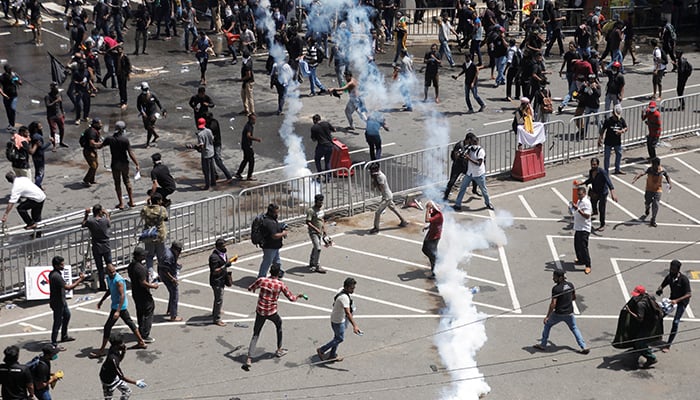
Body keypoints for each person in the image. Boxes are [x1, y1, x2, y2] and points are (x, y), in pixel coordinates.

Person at [243, 263, 302, 371]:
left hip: (260, 311)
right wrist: (298, 296)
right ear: (279, 273)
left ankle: (249, 358)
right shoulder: (280, 285)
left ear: (270, 271)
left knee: (256, 334)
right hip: (271, 312)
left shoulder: (262, 280)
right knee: (278, 325)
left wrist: (255, 289)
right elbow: (292, 298)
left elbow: (250, 288)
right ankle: (279, 349)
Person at [90, 263, 147, 358]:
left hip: (119, 306)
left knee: (107, 327)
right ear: (107, 272)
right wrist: (101, 301)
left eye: (114, 271)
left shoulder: (118, 280)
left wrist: (118, 311)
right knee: (130, 323)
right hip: (116, 306)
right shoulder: (109, 278)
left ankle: (102, 350)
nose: (113, 273)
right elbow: (110, 290)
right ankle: (141, 342)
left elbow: (122, 295)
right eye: (110, 272)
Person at [533, 270, 590, 354]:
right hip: (569, 313)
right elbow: (573, 297)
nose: (553, 278)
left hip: (558, 314)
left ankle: (543, 344)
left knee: (547, 324)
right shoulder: (570, 285)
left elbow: (553, 304)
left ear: (560, 278)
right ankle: (583, 346)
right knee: (574, 328)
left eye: (555, 277)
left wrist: (547, 316)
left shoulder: (556, 289)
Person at [615, 285, 662, 367]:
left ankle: (651, 358)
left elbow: (640, 318)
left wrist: (630, 312)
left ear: (641, 295)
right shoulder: (648, 296)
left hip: (648, 324)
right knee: (640, 338)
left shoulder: (641, 304)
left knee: (639, 342)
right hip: (652, 320)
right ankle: (640, 348)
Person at [316, 277, 360, 362]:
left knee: (337, 338)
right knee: (340, 338)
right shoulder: (344, 298)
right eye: (352, 288)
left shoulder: (341, 290)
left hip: (337, 318)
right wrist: (355, 326)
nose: (353, 290)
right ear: (346, 287)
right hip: (338, 321)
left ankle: (332, 355)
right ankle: (322, 350)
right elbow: (347, 313)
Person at [49, 255, 85, 351]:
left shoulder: (54, 274)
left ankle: (64, 336)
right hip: (58, 303)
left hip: (61, 301)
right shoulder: (56, 276)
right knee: (57, 322)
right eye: (61, 264)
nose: (63, 266)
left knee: (67, 315)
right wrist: (80, 280)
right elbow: (68, 287)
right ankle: (54, 343)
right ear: (56, 266)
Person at [100, 121, 140, 209]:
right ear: (122, 130)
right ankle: (131, 201)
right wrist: (137, 164)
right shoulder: (125, 140)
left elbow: (100, 146)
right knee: (127, 181)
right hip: (124, 163)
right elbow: (130, 153)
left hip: (115, 164)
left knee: (117, 183)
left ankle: (121, 203)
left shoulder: (109, 139)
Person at [656, 259, 692, 352]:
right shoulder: (669, 277)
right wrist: (660, 289)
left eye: (673, 269)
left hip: (682, 301)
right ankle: (658, 335)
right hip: (672, 299)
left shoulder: (684, 279)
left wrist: (677, 300)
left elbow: (688, 294)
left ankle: (668, 345)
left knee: (675, 322)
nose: (671, 271)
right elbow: (663, 284)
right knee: (659, 316)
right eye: (671, 268)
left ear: (678, 270)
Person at [453, 133, 495, 211]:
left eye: (475, 142)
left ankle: (488, 203)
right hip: (470, 173)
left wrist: (469, 158)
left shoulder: (480, 151)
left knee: (483, 190)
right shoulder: (469, 149)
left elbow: (478, 163)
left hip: (479, 174)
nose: (473, 144)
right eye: (472, 142)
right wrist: (461, 155)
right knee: (463, 188)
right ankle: (457, 204)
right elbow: (464, 156)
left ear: (477, 143)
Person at [99, 333, 145, 400]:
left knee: (127, 392)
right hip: (108, 381)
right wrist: (136, 382)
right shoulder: (112, 359)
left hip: (115, 376)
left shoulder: (114, 349)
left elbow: (119, 360)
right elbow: (122, 376)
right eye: (122, 343)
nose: (123, 344)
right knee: (108, 398)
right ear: (117, 345)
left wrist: (123, 352)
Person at [127, 247, 158, 343]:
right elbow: (143, 282)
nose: (144, 256)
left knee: (140, 312)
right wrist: (153, 286)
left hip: (135, 293)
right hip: (143, 293)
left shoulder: (131, 266)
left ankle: (141, 329)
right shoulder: (139, 268)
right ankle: (145, 333)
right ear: (138, 256)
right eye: (142, 255)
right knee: (149, 311)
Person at [368, 163, 408, 234]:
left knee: (377, 212)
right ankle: (403, 221)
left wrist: (374, 180)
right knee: (393, 208)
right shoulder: (377, 175)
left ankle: (376, 228)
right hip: (387, 195)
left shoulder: (380, 177)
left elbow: (380, 188)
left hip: (386, 197)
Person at [632, 157, 672, 227]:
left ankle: (653, 219)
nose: (654, 167)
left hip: (658, 190)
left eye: (655, 165)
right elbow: (641, 173)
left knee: (656, 204)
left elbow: (667, 176)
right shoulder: (649, 169)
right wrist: (635, 178)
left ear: (658, 165)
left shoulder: (662, 170)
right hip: (649, 189)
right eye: (653, 165)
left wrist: (670, 183)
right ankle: (647, 208)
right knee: (647, 202)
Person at [582, 158, 618, 232]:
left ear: (598, 165)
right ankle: (595, 211)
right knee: (592, 201)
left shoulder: (602, 172)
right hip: (595, 191)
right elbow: (591, 179)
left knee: (602, 208)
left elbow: (609, 182)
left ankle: (602, 224)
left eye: (595, 164)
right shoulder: (591, 171)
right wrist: (583, 183)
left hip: (602, 193)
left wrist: (613, 193)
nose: (593, 166)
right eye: (592, 164)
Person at [82, 204, 111, 291]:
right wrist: (107, 215)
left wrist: (86, 214)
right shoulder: (105, 220)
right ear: (100, 211)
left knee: (100, 267)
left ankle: (102, 285)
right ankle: (112, 284)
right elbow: (109, 223)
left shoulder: (91, 222)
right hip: (106, 245)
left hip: (97, 246)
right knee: (109, 265)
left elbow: (83, 224)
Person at [140, 193, 169, 279]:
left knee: (149, 256)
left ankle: (150, 275)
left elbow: (142, 215)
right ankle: (162, 274)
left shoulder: (145, 209)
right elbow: (166, 217)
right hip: (160, 235)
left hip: (149, 235)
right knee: (161, 256)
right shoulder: (162, 209)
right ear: (159, 201)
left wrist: (148, 204)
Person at [444, 130, 479, 200]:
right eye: (471, 140)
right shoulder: (459, 145)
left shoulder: (470, 145)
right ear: (468, 139)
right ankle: (445, 196)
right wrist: (460, 154)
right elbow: (455, 155)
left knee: (474, 177)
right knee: (452, 181)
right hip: (457, 166)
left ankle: (474, 190)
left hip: (465, 165)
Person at [258, 203, 288, 278]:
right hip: (269, 246)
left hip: (274, 246)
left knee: (277, 261)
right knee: (267, 262)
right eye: (276, 212)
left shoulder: (271, 220)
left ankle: (278, 273)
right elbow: (274, 236)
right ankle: (261, 277)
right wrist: (283, 233)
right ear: (271, 212)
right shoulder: (269, 222)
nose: (277, 214)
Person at [209, 238, 235, 326]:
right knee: (219, 299)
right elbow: (215, 271)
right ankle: (216, 319)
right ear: (218, 247)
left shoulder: (223, 254)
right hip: (217, 281)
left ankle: (216, 311)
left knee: (218, 298)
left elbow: (225, 263)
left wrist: (229, 262)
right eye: (223, 246)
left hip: (222, 279)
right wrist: (224, 266)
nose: (225, 247)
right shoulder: (214, 257)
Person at [568, 186, 592, 274]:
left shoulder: (586, 203)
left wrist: (577, 209)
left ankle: (588, 265)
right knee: (577, 245)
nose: (579, 196)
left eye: (580, 195)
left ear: (584, 193)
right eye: (578, 195)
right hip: (578, 227)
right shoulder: (579, 201)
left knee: (584, 247)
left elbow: (587, 216)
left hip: (584, 228)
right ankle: (581, 259)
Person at [598, 104, 627, 175]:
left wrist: (622, 131)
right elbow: (603, 129)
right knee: (607, 157)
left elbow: (626, 127)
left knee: (619, 155)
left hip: (617, 142)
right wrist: (600, 138)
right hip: (608, 141)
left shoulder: (621, 120)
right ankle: (606, 171)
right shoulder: (608, 120)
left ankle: (617, 169)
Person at [205, 112, 234, 184]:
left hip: (216, 144)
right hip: (212, 144)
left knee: (218, 160)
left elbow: (210, 133)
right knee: (211, 160)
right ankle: (215, 175)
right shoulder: (211, 123)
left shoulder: (212, 124)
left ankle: (228, 176)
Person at [158, 241, 183, 322]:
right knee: (174, 294)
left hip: (167, 273)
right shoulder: (169, 256)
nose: (179, 252)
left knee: (172, 293)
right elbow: (165, 270)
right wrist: (172, 279)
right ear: (175, 249)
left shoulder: (169, 252)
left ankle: (170, 310)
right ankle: (173, 316)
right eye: (179, 250)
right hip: (167, 276)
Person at [136, 82, 166, 148]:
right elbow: (138, 106)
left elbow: (158, 102)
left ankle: (147, 143)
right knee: (146, 127)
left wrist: (163, 110)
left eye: (146, 89)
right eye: (144, 90)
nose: (145, 91)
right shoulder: (140, 97)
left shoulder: (153, 95)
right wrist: (142, 112)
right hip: (146, 113)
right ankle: (155, 135)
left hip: (153, 113)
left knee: (149, 127)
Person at [190, 117, 216, 190]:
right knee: (212, 168)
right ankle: (213, 182)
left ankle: (207, 185)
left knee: (206, 170)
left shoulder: (200, 134)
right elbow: (212, 139)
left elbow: (201, 145)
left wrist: (194, 146)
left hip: (206, 154)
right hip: (211, 151)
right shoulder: (209, 131)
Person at [235, 113, 261, 181]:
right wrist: (256, 139)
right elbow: (248, 136)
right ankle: (249, 176)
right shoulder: (249, 127)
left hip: (244, 145)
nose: (255, 121)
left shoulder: (249, 125)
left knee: (246, 159)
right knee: (251, 160)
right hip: (247, 146)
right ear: (250, 120)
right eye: (254, 119)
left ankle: (238, 173)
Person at [306, 194, 328, 274]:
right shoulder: (311, 211)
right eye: (319, 202)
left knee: (316, 246)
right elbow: (308, 222)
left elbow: (322, 219)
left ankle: (312, 261)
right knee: (318, 248)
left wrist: (324, 229)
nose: (321, 203)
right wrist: (316, 229)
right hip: (313, 232)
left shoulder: (322, 208)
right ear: (316, 201)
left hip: (320, 231)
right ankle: (317, 266)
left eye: (322, 202)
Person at [422, 201, 443, 279]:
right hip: (431, 234)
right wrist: (428, 227)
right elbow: (431, 222)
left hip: (434, 237)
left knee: (432, 254)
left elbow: (427, 220)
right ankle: (436, 262)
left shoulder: (439, 215)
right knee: (425, 250)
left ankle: (435, 270)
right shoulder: (435, 212)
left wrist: (427, 209)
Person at [28, 122, 51, 189]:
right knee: (41, 173)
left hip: (35, 156)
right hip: (40, 156)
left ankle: (39, 185)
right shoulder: (38, 137)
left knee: (37, 170)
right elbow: (42, 147)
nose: (42, 127)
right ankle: (37, 186)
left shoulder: (32, 135)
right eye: (40, 126)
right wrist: (50, 142)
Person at [44, 83, 66, 149]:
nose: (57, 91)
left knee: (62, 128)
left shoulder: (59, 95)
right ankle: (54, 145)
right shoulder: (47, 96)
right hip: (51, 116)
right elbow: (48, 106)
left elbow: (61, 104)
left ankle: (61, 142)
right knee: (53, 131)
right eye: (55, 89)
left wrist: (63, 112)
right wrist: (55, 101)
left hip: (59, 114)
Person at [0, 64, 22, 133]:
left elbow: (20, 83)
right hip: (6, 96)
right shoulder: (2, 77)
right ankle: (10, 123)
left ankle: (12, 124)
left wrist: (17, 81)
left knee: (12, 109)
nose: (10, 70)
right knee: (8, 110)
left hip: (14, 95)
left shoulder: (14, 75)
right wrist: (3, 94)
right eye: (9, 69)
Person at [81, 118, 102, 187]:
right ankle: (86, 180)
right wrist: (102, 144)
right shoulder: (91, 132)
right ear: (95, 124)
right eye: (99, 124)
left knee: (96, 165)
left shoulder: (95, 130)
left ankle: (91, 179)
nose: (101, 125)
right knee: (93, 166)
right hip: (88, 151)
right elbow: (92, 143)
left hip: (92, 150)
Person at [240, 49, 255, 116]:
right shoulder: (248, 60)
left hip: (248, 82)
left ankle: (251, 112)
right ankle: (246, 109)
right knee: (243, 95)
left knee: (249, 97)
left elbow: (248, 75)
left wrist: (242, 79)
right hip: (245, 82)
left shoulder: (247, 65)